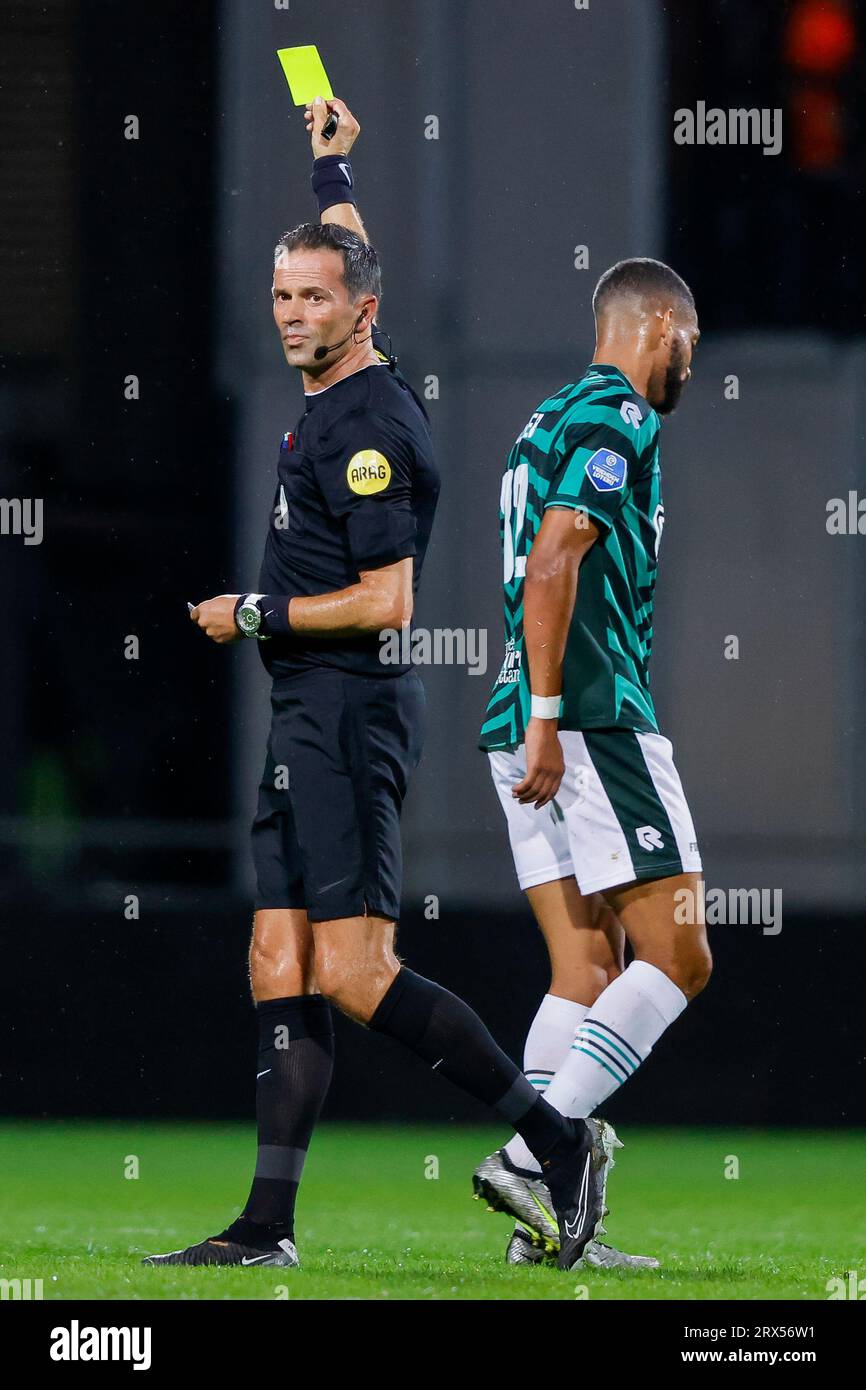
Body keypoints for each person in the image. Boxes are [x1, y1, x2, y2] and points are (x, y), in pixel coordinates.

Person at [144, 97, 607, 1273]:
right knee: (277, 959)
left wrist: (251, 612)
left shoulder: (369, 427)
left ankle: (556, 1142)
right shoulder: (350, 354)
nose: (293, 313)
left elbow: (390, 600)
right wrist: (330, 163)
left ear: (363, 315)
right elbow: (346, 238)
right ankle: (266, 1226)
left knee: (353, 972)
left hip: (350, 710)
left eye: (313, 299)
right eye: (283, 296)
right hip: (300, 712)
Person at [473, 258, 711, 1268]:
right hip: (587, 719)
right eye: (689, 342)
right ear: (658, 322)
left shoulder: (543, 416)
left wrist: (525, 717)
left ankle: (551, 1234)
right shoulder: (618, 415)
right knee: (680, 954)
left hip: (519, 722)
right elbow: (554, 558)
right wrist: (548, 714)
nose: (688, 366)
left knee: (586, 965)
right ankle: (539, 1152)